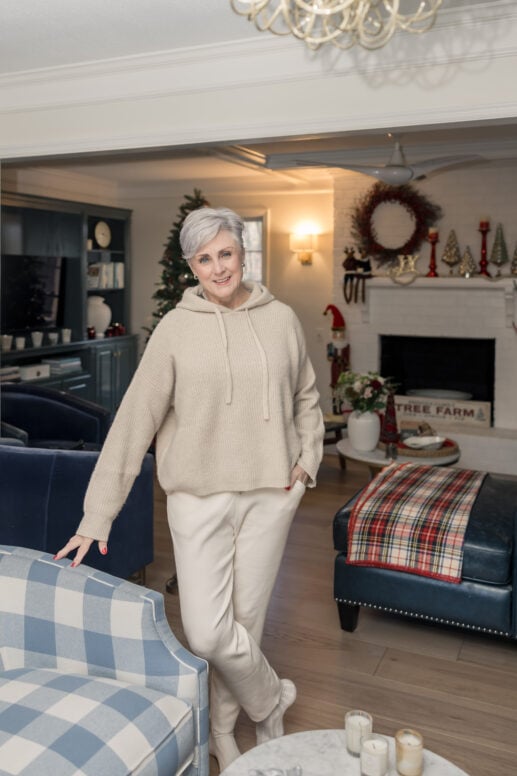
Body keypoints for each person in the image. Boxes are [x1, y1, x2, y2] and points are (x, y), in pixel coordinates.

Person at [55, 206, 324, 772]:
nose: (218, 267)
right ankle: (271, 698)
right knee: (206, 632)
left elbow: (305, 395)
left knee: (245, 624)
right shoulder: (176, 330)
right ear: (191, 267)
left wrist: (306, 462)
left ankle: (224, 732)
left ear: (241, 253)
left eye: (226, 253)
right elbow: (134, 421)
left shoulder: (280, 319)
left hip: (271, 494)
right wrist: (95, 515)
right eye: (205, 258)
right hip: (197, 499)